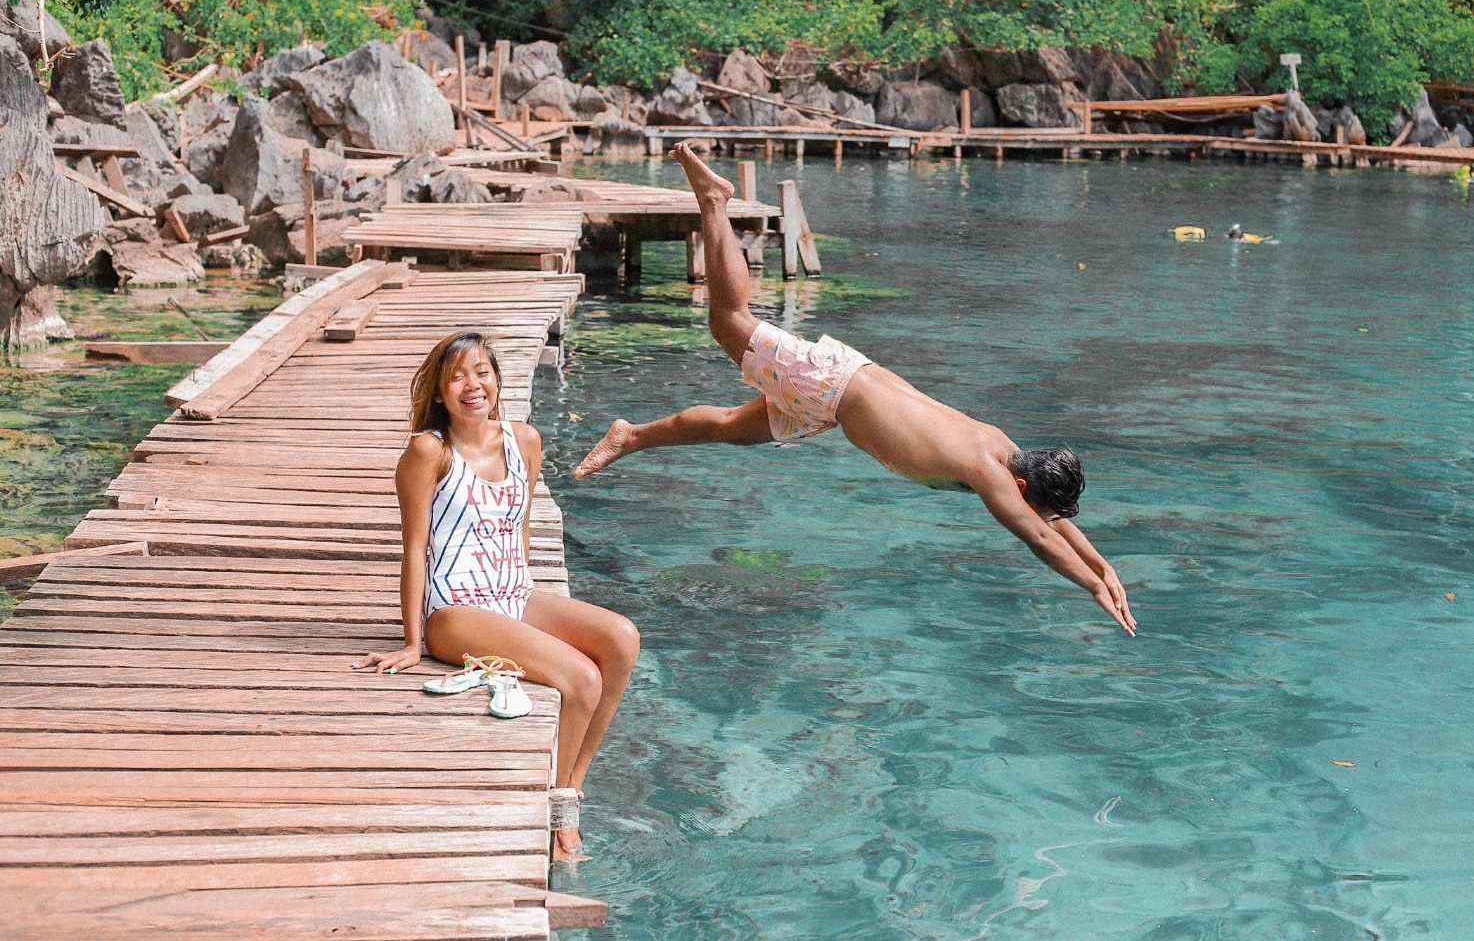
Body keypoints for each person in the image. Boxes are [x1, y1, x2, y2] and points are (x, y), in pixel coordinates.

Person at [575, 143, 1136, 636]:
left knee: (729, 427)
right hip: (830, 382)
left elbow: (1053, 521)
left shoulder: (1004, 446)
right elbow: (1038, 539)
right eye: (1032, 503)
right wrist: (1090, 588)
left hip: (836, 405)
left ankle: (631, 436)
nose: (1036, 514)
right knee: (728, 318)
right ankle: (714, 201)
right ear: (1020, 482)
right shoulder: (993, 474)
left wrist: (1105, 568)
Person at [356, 331, 641, 862]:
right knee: (581, 678)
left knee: (622, 639)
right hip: (454, 611)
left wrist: (532, 612)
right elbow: (414, 548)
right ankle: (558, 818)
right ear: (440, 392)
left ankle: (573, 785)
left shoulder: (524, 441)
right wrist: (413, 642)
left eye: (482, 371)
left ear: (496, 379)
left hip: (513, 592)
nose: (473, 385)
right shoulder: (428, 451)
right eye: (458, 376)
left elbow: (520, 529)